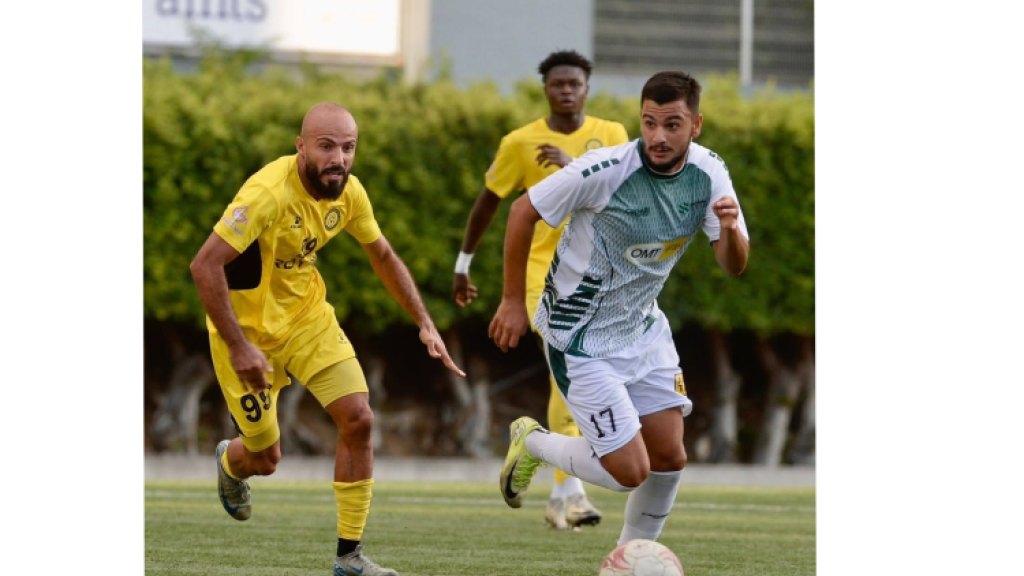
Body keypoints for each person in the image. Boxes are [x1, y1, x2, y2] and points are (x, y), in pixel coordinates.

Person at [190, 102, 464, 576]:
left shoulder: (349, 194)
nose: (338, 158)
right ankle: (232, 462)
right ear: (301, 147)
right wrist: (239, 346)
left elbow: (382, 255)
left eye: (348, 147)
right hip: (247, 336)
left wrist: (424, 321)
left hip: (307, 320)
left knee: (358, 418)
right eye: (326, 146)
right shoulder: (268, 194)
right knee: (265, 457)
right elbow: (204, 265)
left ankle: (350, 559)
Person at [489, 71, 750, 546]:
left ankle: (629, 560)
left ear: (696, 125)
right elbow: (521, 211)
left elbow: (733, 264)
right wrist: (510, 300)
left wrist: (729, 229)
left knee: (669, 459)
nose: (658, 136)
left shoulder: (710, 173)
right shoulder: (604, 170)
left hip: (642, 330)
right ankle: (535, 443)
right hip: (580, 338)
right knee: (630, 470)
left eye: (672, 124)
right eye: (649, 122)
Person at [452, 49, 629, 531]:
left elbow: (627, 196)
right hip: (540, 279)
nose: (567, 90)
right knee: (567, 370)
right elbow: (489, 204)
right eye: (558, 84)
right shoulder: (520, 142)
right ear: (546, 88)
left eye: (575, 83)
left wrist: (578, 165)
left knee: (588, 375)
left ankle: (555, 486)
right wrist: (463, 264)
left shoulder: (613, 135)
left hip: (598, 278)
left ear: (586, 88)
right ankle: (568, 493)